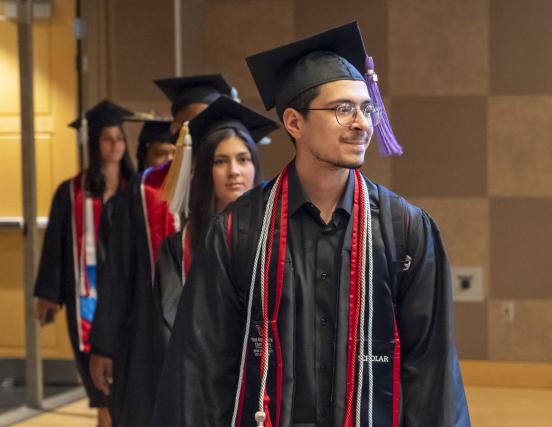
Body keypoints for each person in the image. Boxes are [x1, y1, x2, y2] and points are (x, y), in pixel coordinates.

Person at [153, 22, 470, 427]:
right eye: (342, 109)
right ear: (294, 123)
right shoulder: (237, 232)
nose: (362, 123)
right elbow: (202, 369)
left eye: (365, 108)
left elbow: (432, 370)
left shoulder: (404, 229)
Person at [88, 75, 234, 427]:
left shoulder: (237, 187)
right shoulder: (147, 189)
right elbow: (119, 271)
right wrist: (104, 345)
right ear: (175, 128)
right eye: (194, 122)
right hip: (151, 340)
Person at [153, 95, 278, 369]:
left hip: (268, 376)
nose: (234, 171)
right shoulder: (178, 247)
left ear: (255, 166)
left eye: (243, 159)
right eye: (220, 161)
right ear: (203, 170)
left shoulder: (280, 233)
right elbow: (171, 322)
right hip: (202, 376)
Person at [34, 100, 134, 427]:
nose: (115, 144)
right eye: (107, 138)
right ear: (94, 144)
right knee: (97, 376)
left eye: (119, 137)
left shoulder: (135, 190)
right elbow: (55, 247)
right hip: (85, 293)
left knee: (125, 374)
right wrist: (48, 294)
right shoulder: (71, 192)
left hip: (126, 292)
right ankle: (106, 418)